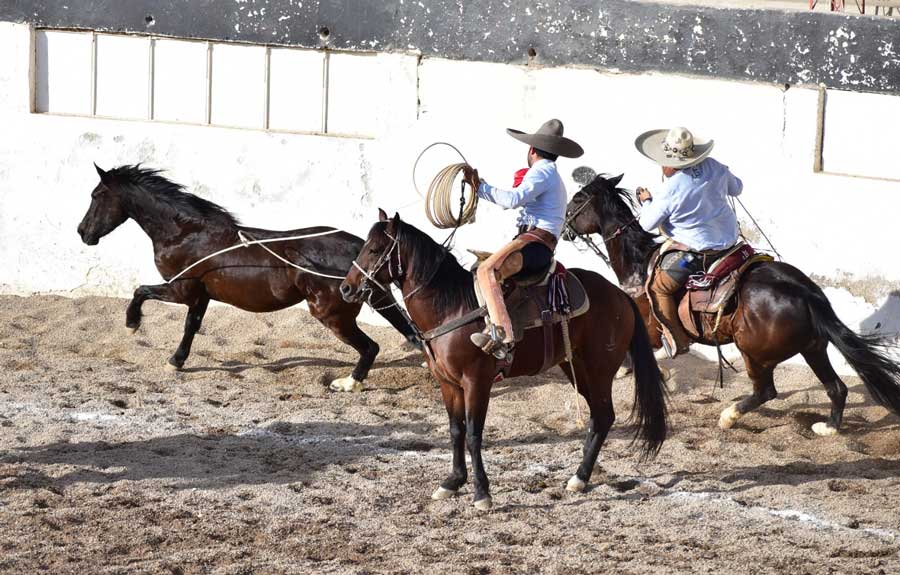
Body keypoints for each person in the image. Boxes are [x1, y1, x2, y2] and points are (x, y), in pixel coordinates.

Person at [462, 119, 584, 358]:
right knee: (490, 270)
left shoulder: (541, 171)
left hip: (534, 243)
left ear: (531, 150)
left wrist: (479, 188)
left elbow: (512, 200)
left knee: (485, 270)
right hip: (535, 243)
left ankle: (502, 336)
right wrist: (483, 186)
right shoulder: (550, 174)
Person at [634, 126, 743, 359]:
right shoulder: (714, 166)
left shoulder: (671, 187)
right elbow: (737, 188)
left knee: (658, 287)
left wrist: (647, 201)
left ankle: (677, 340)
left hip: (697, 252)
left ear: (669, 162)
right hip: (730, 244)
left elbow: (646, 223)